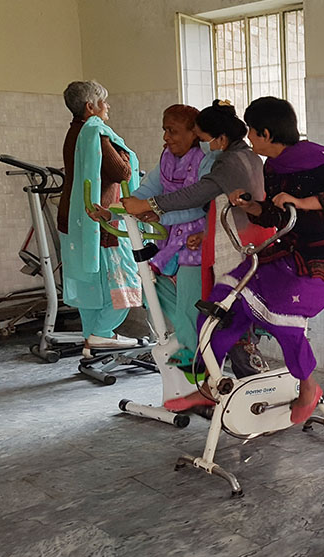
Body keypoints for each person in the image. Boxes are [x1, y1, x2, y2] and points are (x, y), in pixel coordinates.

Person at [173, 96, 324, 425]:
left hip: (323, 263)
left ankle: (309, 388)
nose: (249, 137)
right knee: (219, 303)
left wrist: (301, 200)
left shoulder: (315, 157)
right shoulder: (273, 167)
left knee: (281, 317)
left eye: (252, 130)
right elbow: (277, 214)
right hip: (287, 253)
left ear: (265, 132)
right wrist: (251, 206)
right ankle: (211, 384)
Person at [121, 99, 270, 383]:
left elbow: (197, 198)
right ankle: (197, 343)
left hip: (227, 245)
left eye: (174, 131)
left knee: (221, 316)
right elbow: (153, 191)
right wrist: (125, 207)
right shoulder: (184, 158)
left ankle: (202, 355)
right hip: (214, 239)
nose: (166, 138)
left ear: (218, 138)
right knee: (158, 287)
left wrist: (154, 209)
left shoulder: (222, 160)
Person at [112, 104, 211, 368]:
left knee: (191, 301)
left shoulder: (205, 159)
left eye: (173, 131)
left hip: (196, 240)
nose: (166, 137)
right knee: (150, 288)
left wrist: (157, 214)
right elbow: (147, 191)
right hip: (167, 239)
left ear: (194, 133)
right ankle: (192, 339)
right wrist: (111, 212)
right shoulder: (167, 158)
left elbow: (198, 205)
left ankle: (197, 352)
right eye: (164, 130)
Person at [56, 80, 142, 355]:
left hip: (73, 217)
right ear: (90, 106)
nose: (108, 107)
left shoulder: (74, 132)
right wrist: (127, 157)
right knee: (125, 282)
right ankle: (102, 334)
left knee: (90, 283)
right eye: (104, 102)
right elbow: (122, 173)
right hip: (101, 221)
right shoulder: (95, 132)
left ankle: (90, 339)